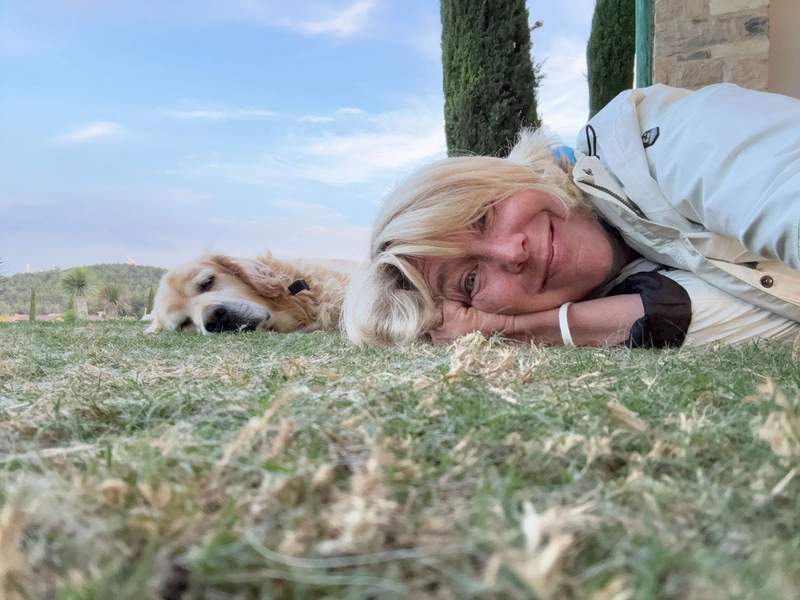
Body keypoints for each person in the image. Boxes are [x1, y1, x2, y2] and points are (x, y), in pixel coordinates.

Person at [343, 83, 800, 348]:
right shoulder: (613, 284)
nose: (511, 250)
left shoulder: (646, 141)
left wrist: (523, 325)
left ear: (503, 177)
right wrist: (521, 329)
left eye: (483, 215)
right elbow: (770, 315)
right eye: (470, 281)